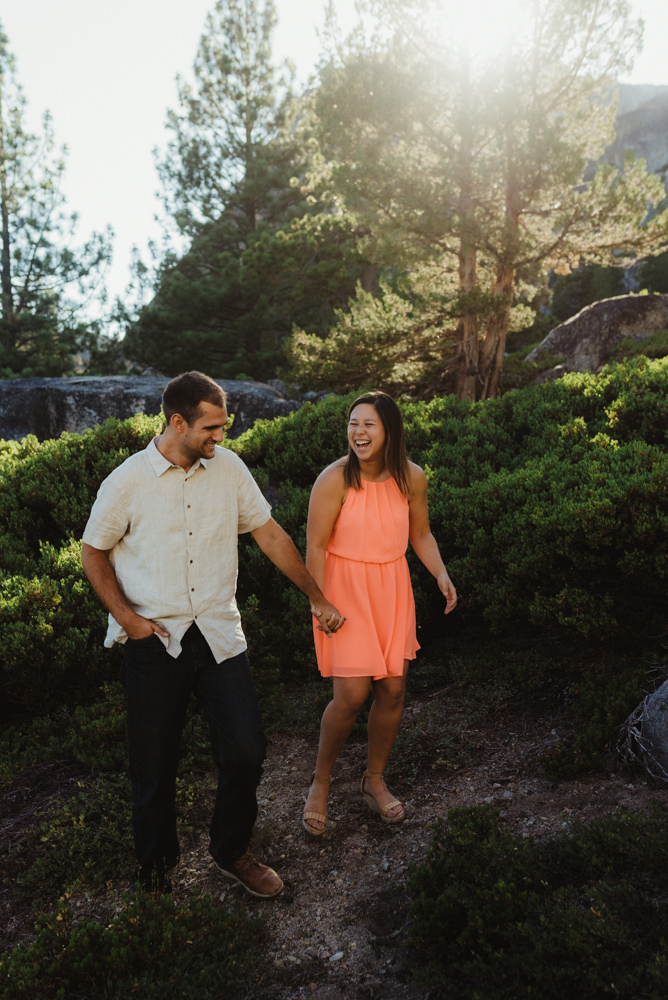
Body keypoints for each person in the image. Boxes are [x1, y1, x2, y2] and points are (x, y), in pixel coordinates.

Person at [81, 371, 345, 897]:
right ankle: (156, 876)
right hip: (154, 640)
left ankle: (231, 852)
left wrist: (315, 596)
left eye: (224, 427)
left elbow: (269, 534)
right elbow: (92, 552)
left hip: (220, 633)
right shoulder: (128, 480)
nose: (220, 438)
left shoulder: (228, 469)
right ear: (177, 422)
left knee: (246, 748)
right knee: (154, 768)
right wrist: (129, 620)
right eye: (211, 429)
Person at [302, 391, 457, 835]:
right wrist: (319, 600)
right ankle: (321, 782)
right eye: (353, 423)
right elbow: (314, 545)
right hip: (343, 591)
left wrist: (441, 575)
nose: (358, 432)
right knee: (350, 696)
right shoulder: (333, 479)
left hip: (392, 589)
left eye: (368, 424)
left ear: (390, 429)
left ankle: (373, 781)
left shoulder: (412, 477)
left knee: (392, 691)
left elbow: (421, 534)